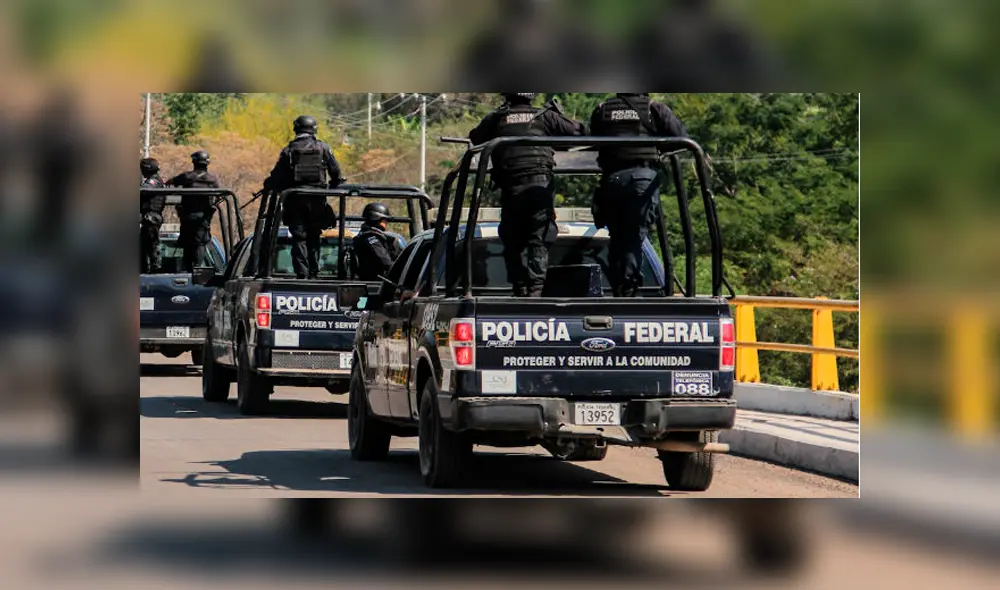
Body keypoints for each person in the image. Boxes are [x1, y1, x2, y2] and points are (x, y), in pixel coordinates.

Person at [468, 93, 585, 297]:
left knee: (512, 241)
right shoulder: (545, 116)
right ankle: (535, 290)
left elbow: (475, 136)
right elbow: (579, 131)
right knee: (538, 239)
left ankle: (520, 287)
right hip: (539, 189)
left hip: (512, 191)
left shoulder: (497, 118)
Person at [589, 93, 687, 297]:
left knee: (618, 236)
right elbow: (679, 138)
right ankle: (627, 288)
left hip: (612, 180)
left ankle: (622, 285)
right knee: (634, 235)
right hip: (641, 179)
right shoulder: (654, 108)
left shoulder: (602, 109)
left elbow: (594, 138)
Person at [263, 115, 342, 279]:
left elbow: (276, 176)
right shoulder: (323, 147)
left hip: (294, 200)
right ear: (314, 129)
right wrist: (334, 184)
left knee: (299, 238)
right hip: (317, 200)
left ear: (296, 129)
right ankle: (314, 272)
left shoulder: (288, 150)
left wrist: (271, 185)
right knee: (314, 235)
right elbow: (335, 171)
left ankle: (301, 273)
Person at [166, 150, 221, 272]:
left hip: (187, 217)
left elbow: (170, 182)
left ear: (194, 162)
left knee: (187, 243)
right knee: (200, 243)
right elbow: (219, 194)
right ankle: (198, 269)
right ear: (207, 163)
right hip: (203, 218)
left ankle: (188, 270)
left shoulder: (186, 177)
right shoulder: (213, 179)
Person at [353, 203, 402, 281]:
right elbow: (386, 263)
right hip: (376, 284)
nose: (386, 222)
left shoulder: (366, 236)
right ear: (377, 218)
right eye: (385, 220)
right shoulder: (371, 239)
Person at [139, 158, 166, 273]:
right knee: (144, 246)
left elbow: (144, 190)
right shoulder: (153, 181)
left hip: (152, 218)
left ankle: (156, 269)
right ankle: (145, 269)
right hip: (150, 218)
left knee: (152, 244)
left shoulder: (153, 182)